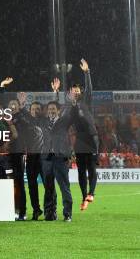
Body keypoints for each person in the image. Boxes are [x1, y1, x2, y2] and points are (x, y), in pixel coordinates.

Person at [70, 59, 99, 211]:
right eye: (73, 90)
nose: (75, 91)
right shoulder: (70, 107)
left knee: (91, 168)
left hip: (91, 138)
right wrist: (55, 92)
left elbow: (90, 89)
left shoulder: (86, 101)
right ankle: (84, 198)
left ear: (80, 92)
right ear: (70, 93)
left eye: (77, 90)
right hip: (80, 140)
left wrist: (87, 72)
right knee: (81, 171)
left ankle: (91, 193)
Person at [41, 94, 74, 222]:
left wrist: (59, 95)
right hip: (47, 159)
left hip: (61, 159)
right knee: (48, 188)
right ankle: (49, 214)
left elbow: (69, 110)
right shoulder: (44, 122)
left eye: (53, 109)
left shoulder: (63, 122)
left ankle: (67, 214)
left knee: (64, 187)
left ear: (58, 110)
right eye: (49, 109)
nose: (51, 111)